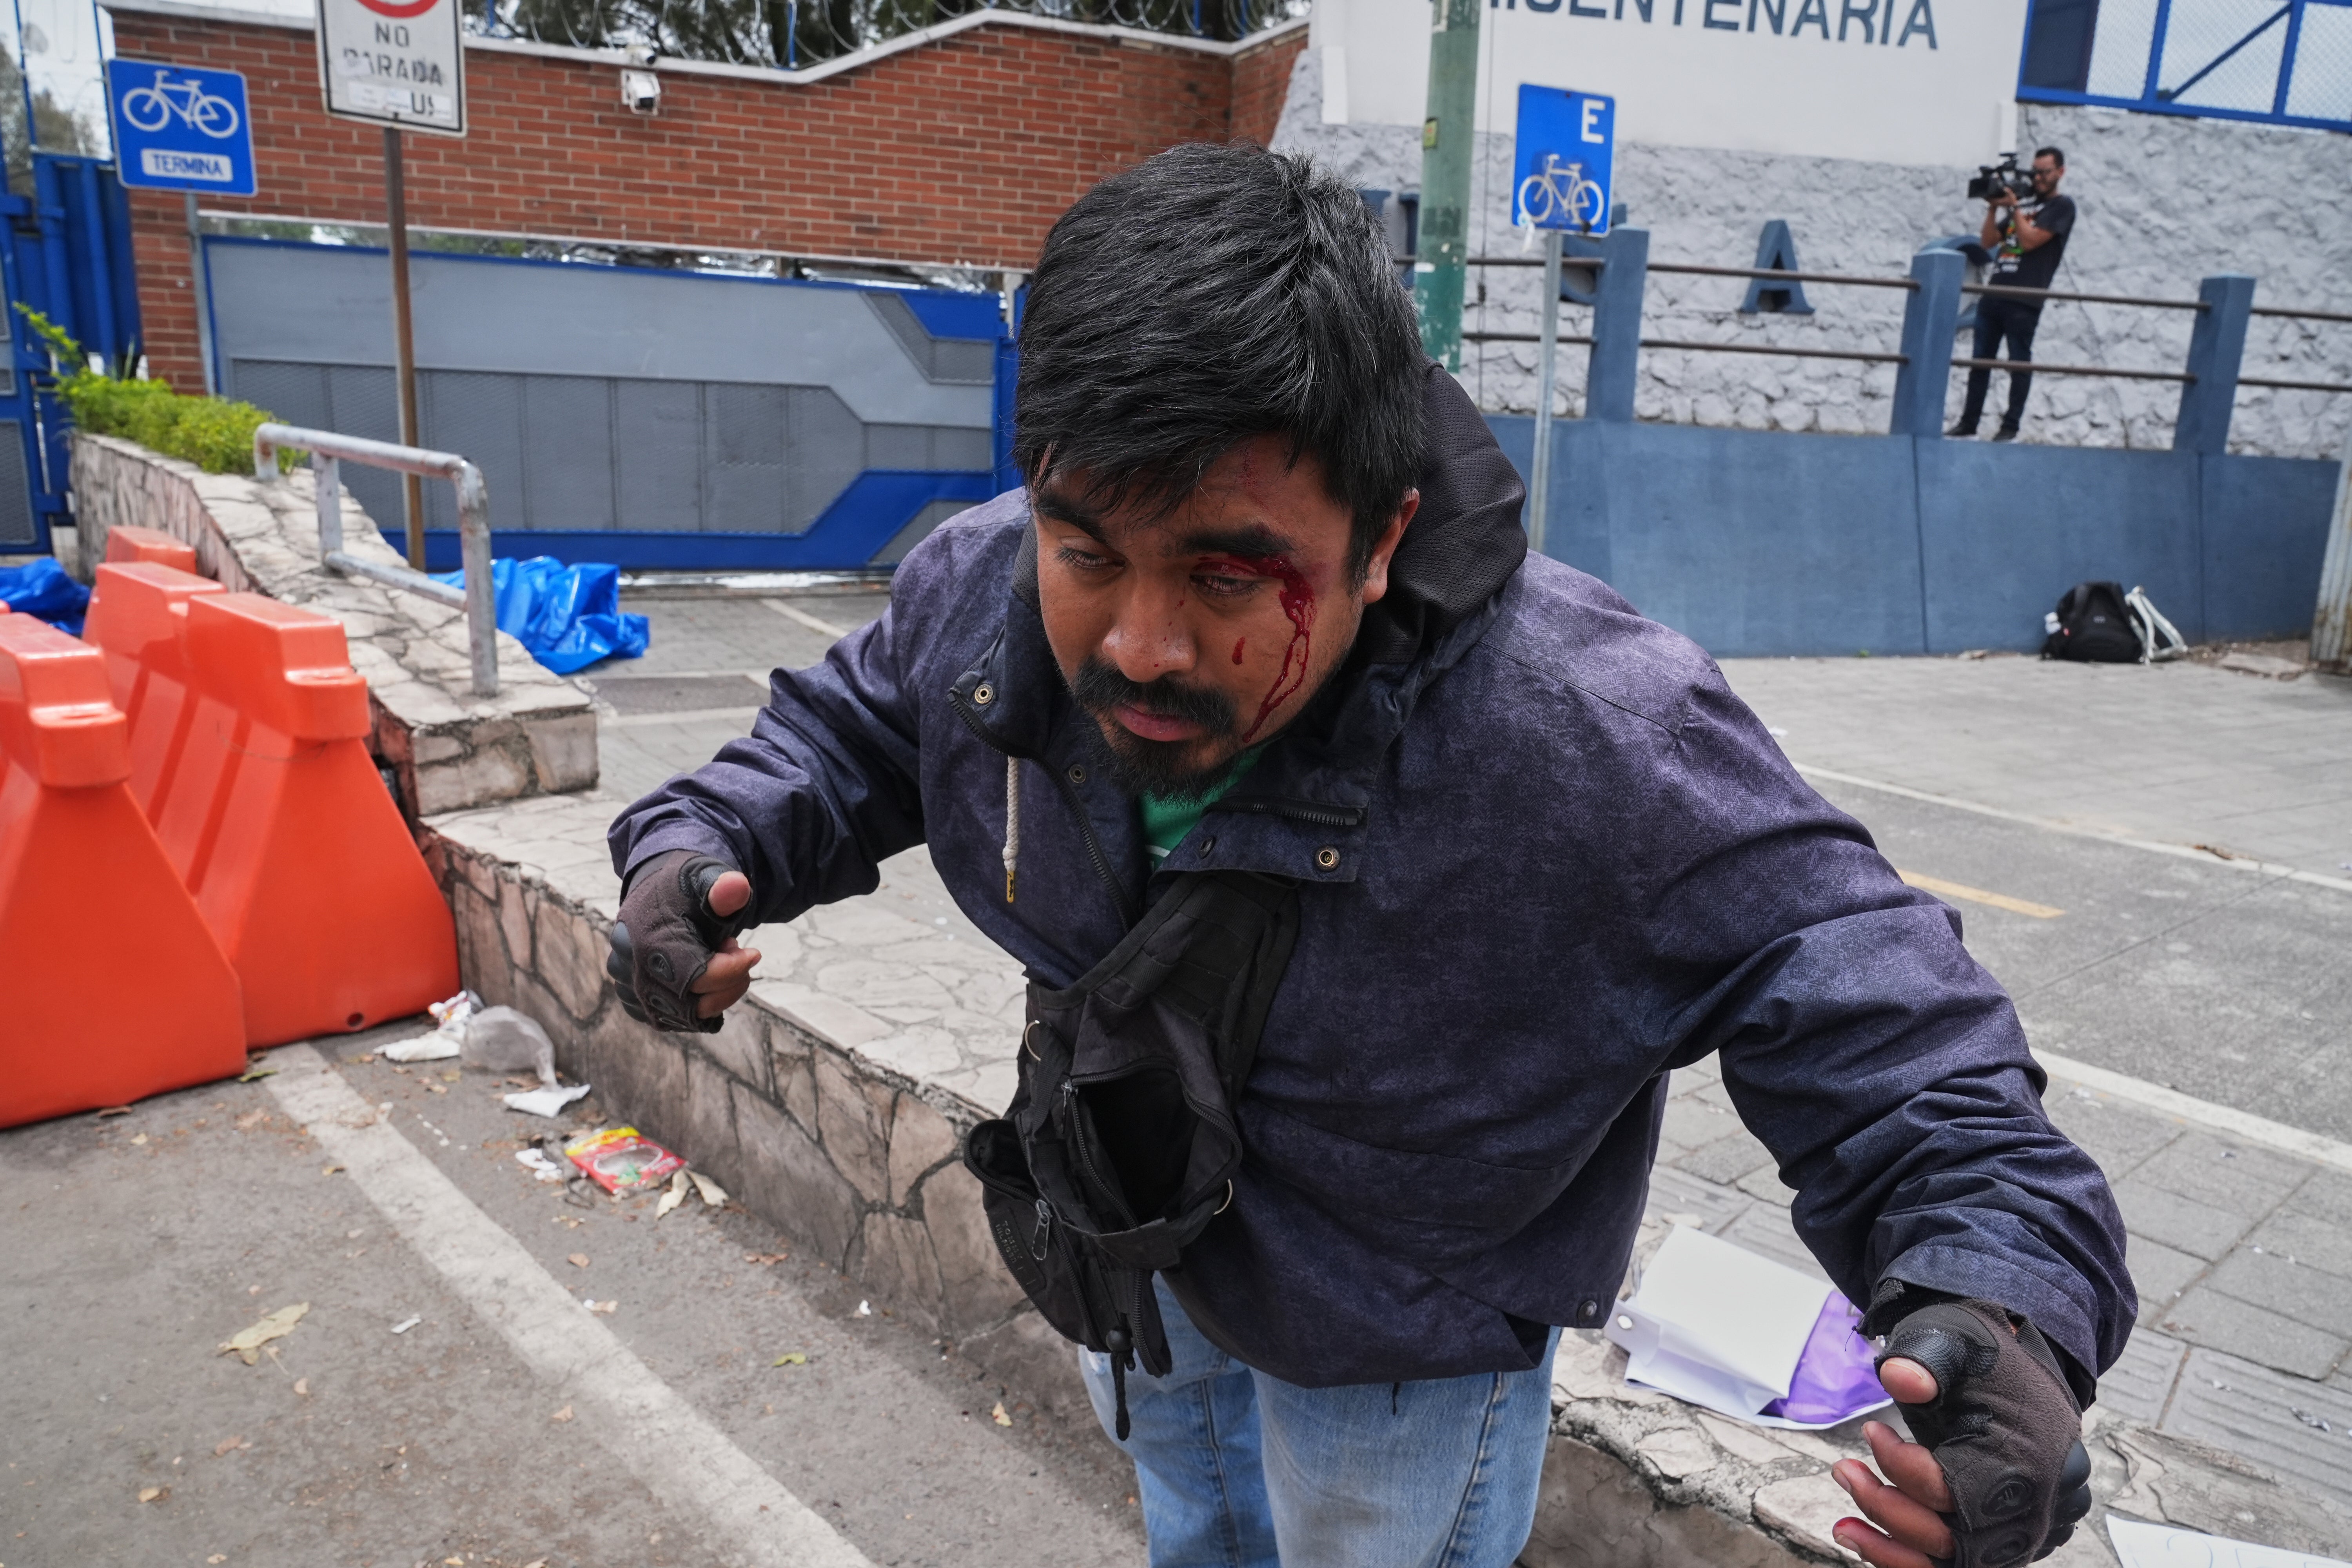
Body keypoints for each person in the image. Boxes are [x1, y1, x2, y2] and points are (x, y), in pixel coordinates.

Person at [606, 144, 2132, 1568]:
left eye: (1225, 572)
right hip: (1130, 1234)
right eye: (1088, 549)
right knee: (1193, 1522)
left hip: (1398, 1350)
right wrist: (699, 846)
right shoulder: (982, 579)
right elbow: (850, 731)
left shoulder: (1596, 730)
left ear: (1383, 535)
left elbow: (1874, 999)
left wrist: (2008, 1299)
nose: (1138, 642)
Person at [1953, 146, 2078, 442]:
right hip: (1995, 293)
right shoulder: (2024, 207)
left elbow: (2031, 240)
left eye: (2045, 172)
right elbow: (1987, 242)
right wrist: (1993, 207)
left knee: (2018, 363)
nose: (2039, 178)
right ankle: (1968, 423)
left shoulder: (2062, 206)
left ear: (2061, 172)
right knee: (1980, 363)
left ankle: (2010, 427)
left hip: (2025, 297)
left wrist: (2014, 208)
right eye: (2036, 172)